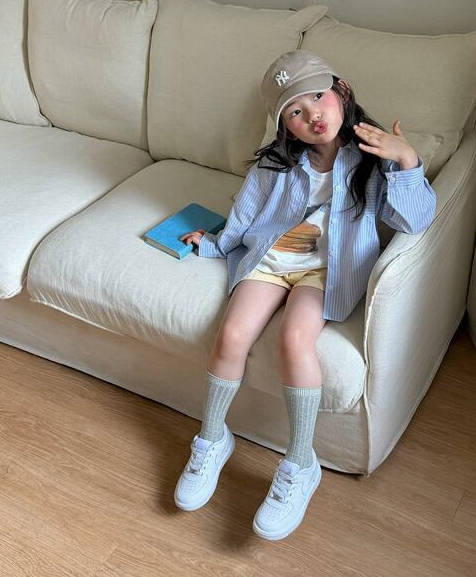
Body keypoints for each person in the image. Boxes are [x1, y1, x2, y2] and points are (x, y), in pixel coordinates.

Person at [174, 50, 437, 541]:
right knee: (231, 334)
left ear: (342, 90)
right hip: (271, 259)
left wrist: (405, 159)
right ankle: (211, 439)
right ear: (285, 127)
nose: (313, 113)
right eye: (295, 111)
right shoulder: (275, 163)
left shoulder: (373, 158)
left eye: (318, 96)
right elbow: (247, 213)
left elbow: (415, 220)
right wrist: (214, 243)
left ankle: (299, 464)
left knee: (295, 340)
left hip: (328, 270)